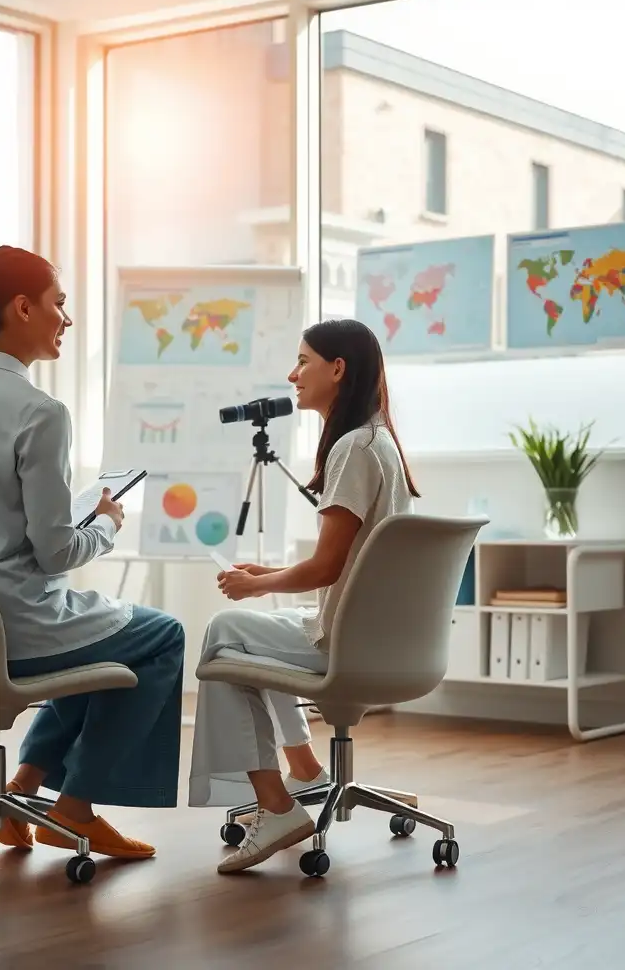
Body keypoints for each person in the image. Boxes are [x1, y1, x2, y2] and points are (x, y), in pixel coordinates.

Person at [0, 245, 185, 860]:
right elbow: (56, 556)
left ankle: (22, 788)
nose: (66, 320)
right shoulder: (41, 414)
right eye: (59, 305)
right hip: (22, 630)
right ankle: (73, 808)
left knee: (104, 635)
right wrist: (102, 522)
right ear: (23, 307)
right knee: (162, 637)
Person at [188, 318, 420, 874]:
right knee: (248, 640)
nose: (292, 375)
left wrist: (256, 585)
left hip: (352, 639)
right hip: (379, 633)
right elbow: (345, 561)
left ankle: (276, 804)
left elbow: (328, 565)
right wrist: (268, 572)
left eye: (303, 362)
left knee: (224, 636)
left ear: (337, 369)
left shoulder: (353, 448)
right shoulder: (376, 439)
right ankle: (305, 769)